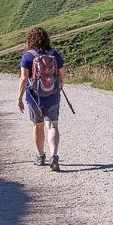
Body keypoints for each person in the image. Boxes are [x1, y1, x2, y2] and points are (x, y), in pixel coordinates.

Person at [17, 26, 65, 170]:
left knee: (38, 127)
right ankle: (54, 155)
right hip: (52, 95)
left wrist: (19, 98)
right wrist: (60, 86)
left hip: (34, 97)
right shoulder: (54, 54)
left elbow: (24, 79)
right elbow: (63, 75)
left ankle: (40, 156)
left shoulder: (27, 56)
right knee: (52, 126)